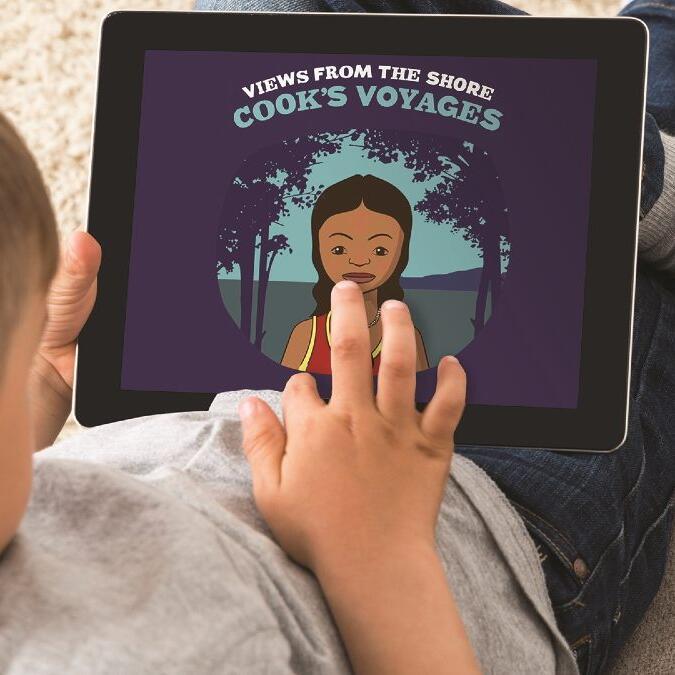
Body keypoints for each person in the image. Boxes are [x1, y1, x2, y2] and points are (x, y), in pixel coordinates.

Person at [0, 2, 672, 674]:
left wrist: (40, 377)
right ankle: (650, 165)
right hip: (473, 518)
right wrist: (374, 547)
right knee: (602, 236)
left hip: (212, 411)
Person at [281, 174, 430, 373]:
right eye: (339, 249)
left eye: (379, 250)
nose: (359, 260)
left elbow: (422, 396)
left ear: (401, 252)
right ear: (318, 249)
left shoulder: (408, 337)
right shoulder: (306, 335)